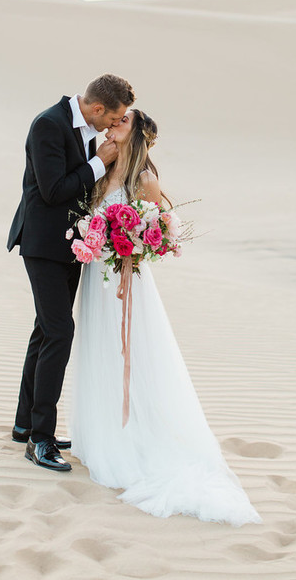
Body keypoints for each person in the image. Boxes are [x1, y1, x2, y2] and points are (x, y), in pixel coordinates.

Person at [70, 109, 261, 524]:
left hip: (126, 285)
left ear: (135, 133)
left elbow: (149, 237)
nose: (112, 125)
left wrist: (129, 244)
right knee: (99, 354)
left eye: (121, 121)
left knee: (133, 357)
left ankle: (135, 438)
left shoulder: (144, 180)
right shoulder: (102, 170)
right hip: (96, 280)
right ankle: (103, 434)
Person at [7, 74, 136, 471]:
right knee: (60, 332)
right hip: (43, 245)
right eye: (112, 118)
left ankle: (25, 423)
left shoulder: (85, 129)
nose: (113, 126)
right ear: (97, 108)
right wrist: (101, 162)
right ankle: (41, 440)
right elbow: (52, 190)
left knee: (45, 331)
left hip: (71, 248)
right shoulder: (49, 124)